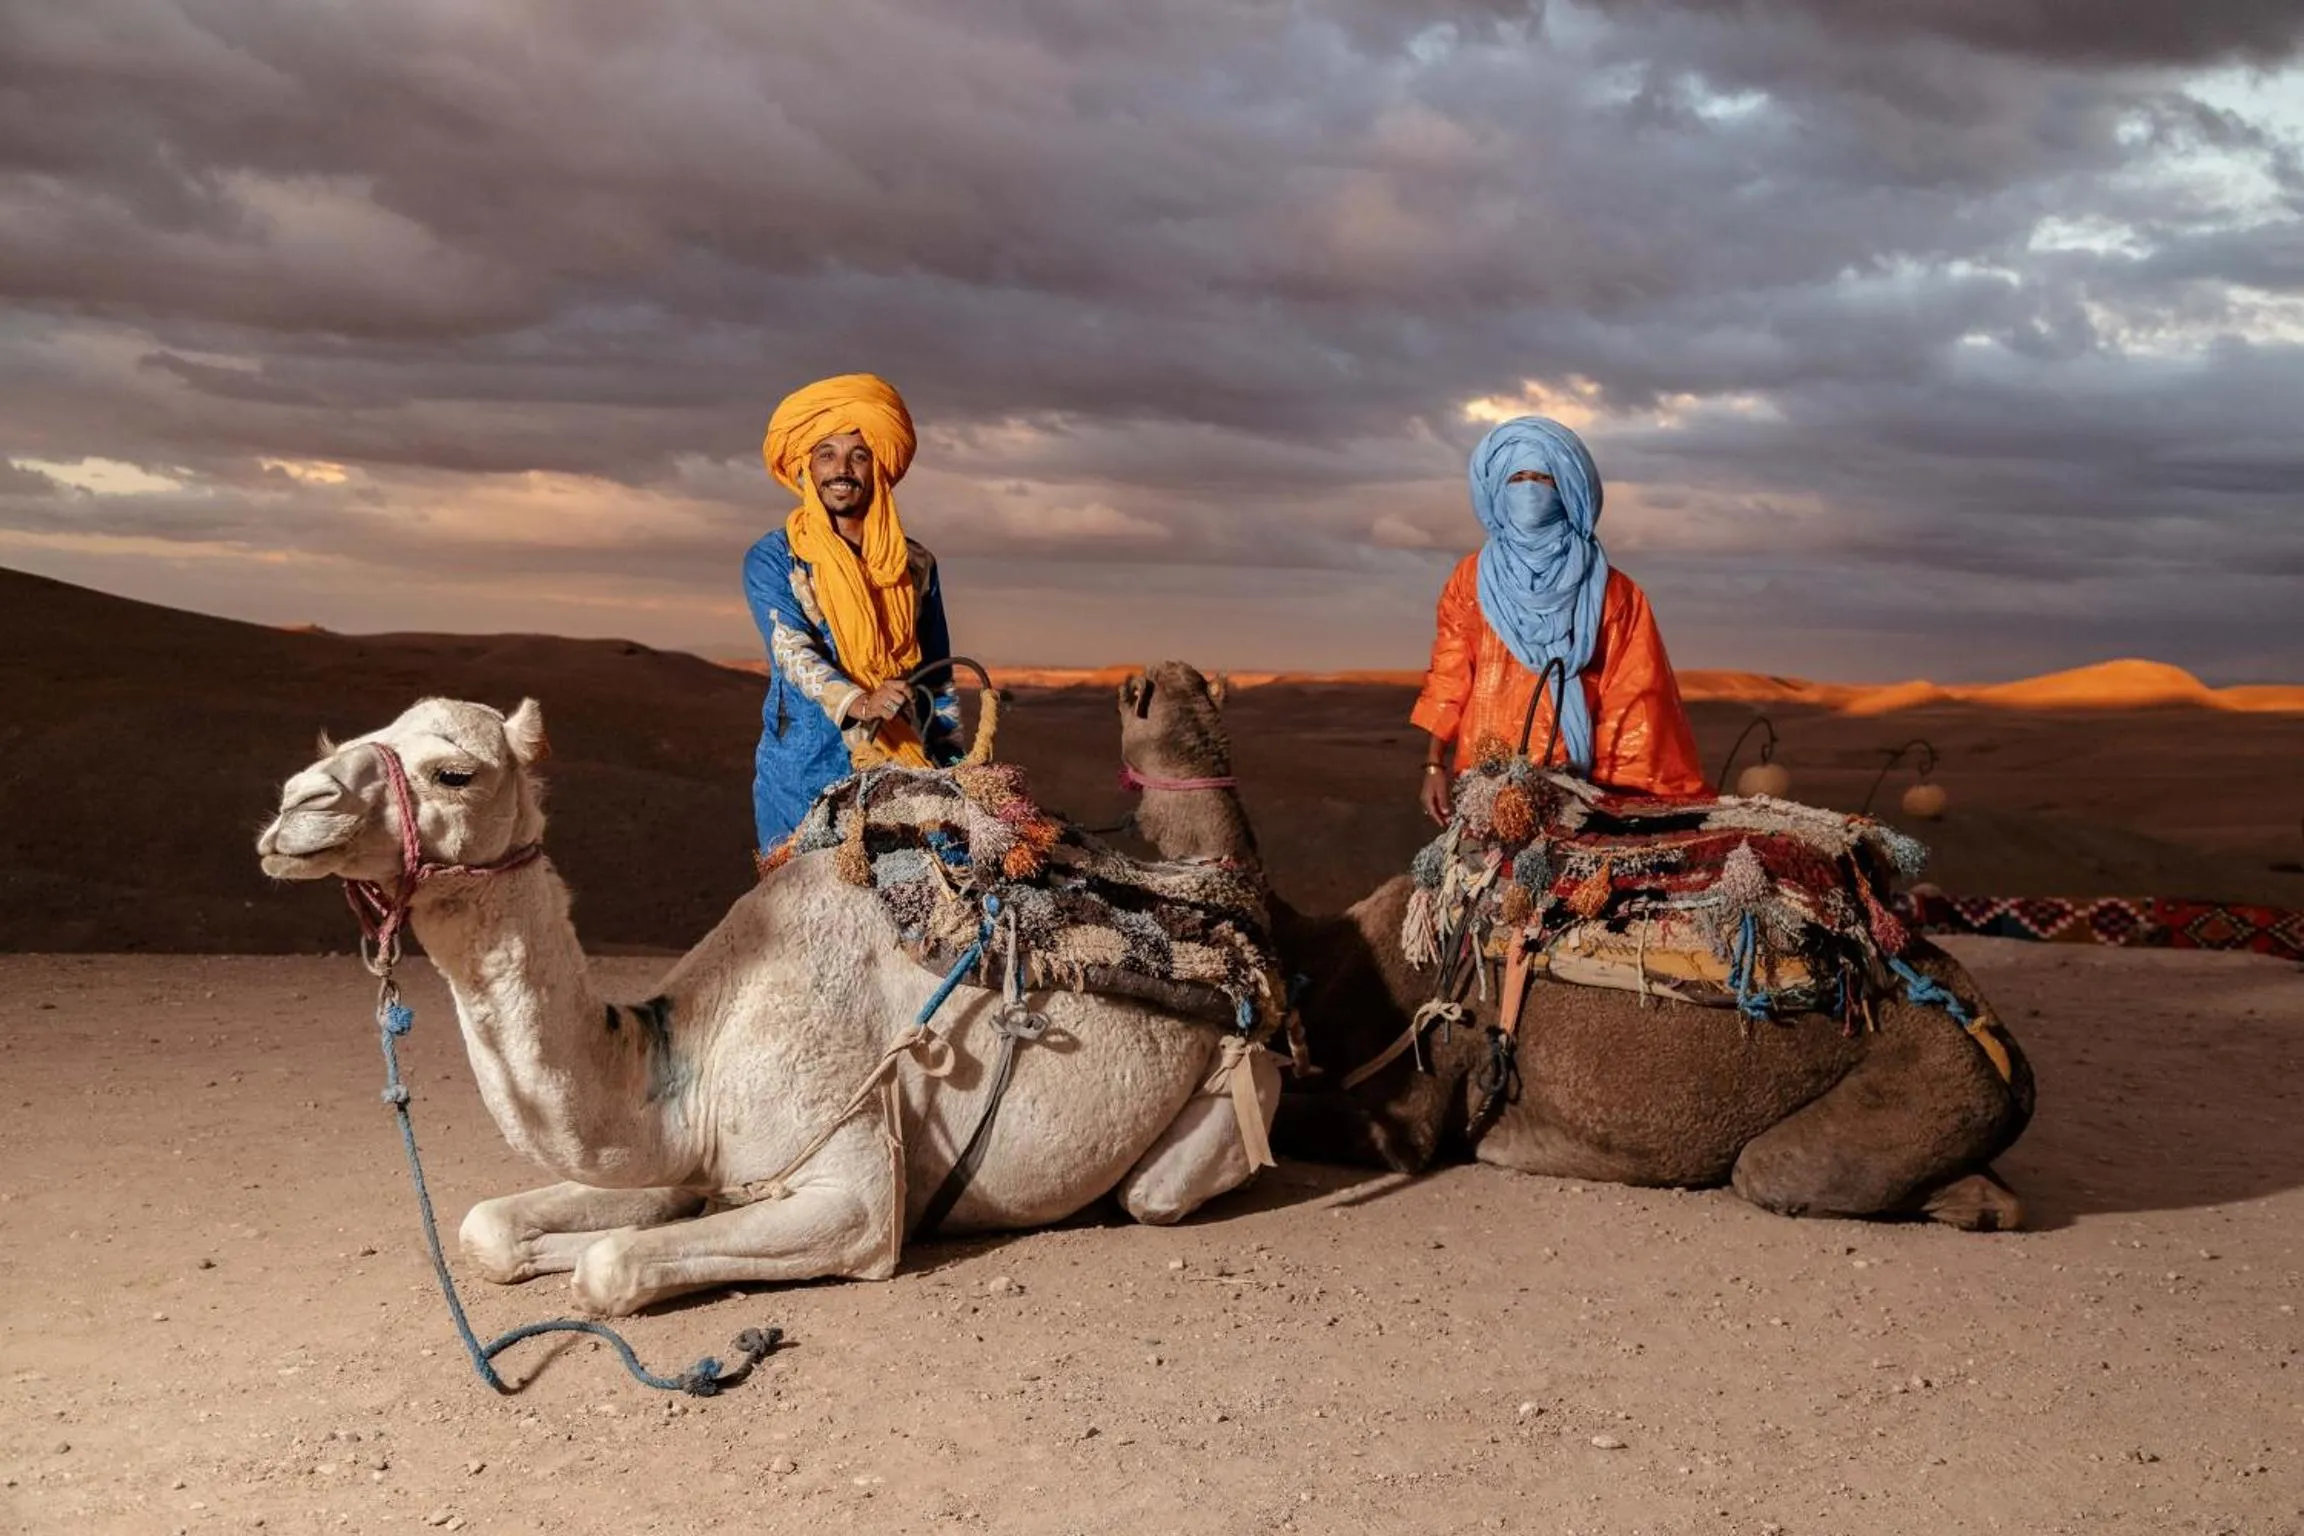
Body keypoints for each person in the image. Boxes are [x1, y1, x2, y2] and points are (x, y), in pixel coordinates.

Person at [1412, 415, 1707, 820]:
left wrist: (1611, 800)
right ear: (1496, 488)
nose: (1529, 490)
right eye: (1516, 478)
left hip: (1573, 787)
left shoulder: (1612, 591)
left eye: (1543, 479)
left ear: (1569, 488)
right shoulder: (1471, 580)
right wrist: (1433, 765)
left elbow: (1634, 700)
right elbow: (1449, 677)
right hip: (1482, 780)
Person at [744, 372, 961, 854]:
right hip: (802, 775)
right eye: (827, 454)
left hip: (901, 773)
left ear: (878, 468)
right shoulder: (775, 558)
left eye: (858, 455)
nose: (842, 468)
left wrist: (957, 765)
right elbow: (791, 649)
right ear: (805, 467)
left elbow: (938, 675)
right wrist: (858, 703)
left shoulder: (916, 563)